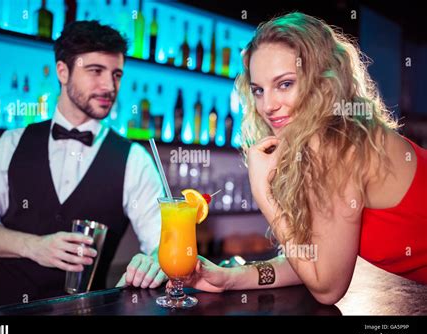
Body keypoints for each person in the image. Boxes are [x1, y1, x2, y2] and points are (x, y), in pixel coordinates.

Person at [176, 12, 427, 304]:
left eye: (285, 84)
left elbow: (327, 287)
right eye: (258, 90)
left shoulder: (337, 146)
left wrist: (263, 192)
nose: (267, 105)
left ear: (322, 81)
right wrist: (232, 277)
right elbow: (314, 260)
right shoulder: (328, 137)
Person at [0, 21, 166, 308]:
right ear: (63, 71)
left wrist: (157, 261)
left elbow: (162, 243)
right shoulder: (13, 141)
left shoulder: (134, 159)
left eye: (116, 74)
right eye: (95, 71)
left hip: (84, 311)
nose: (109, 86)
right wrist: (35, 246)